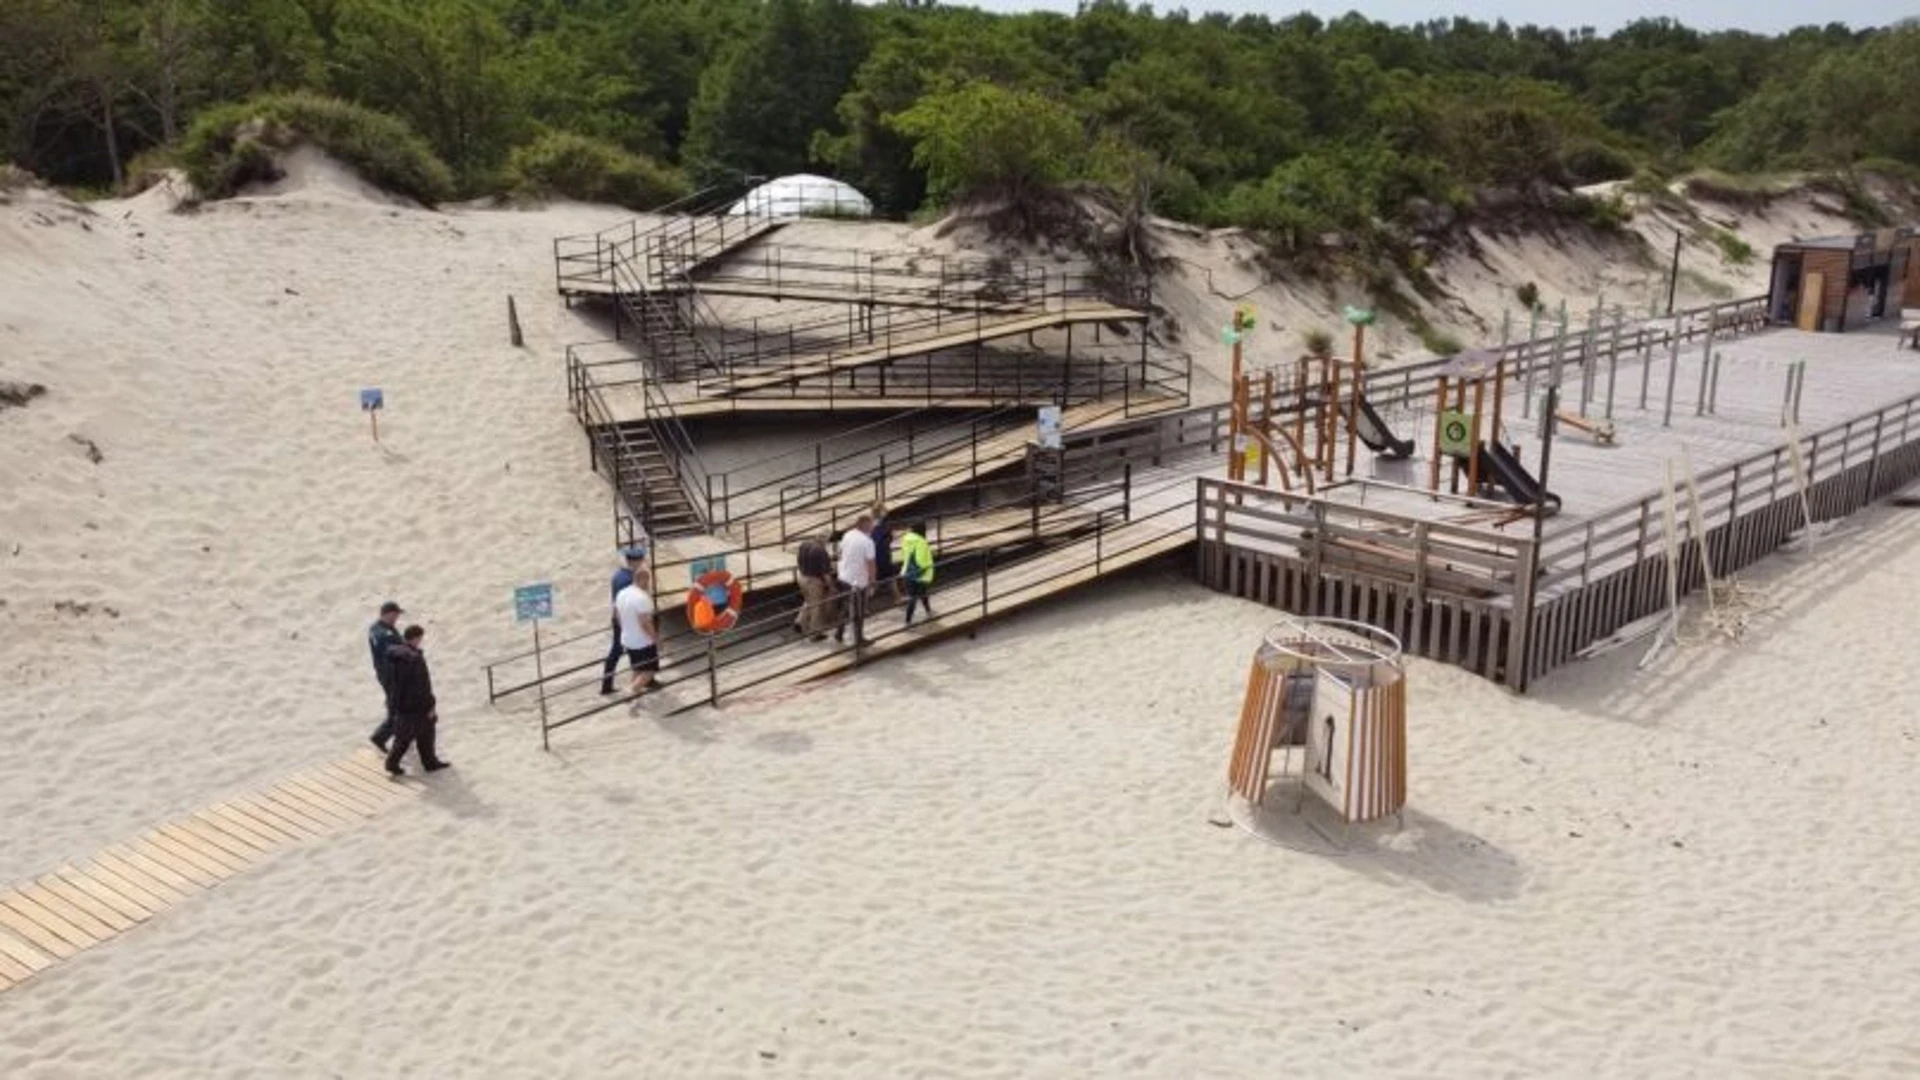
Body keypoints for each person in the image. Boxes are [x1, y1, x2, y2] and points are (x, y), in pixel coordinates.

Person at [384, 625, 449, 777]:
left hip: (400, 703)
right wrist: (431, 704)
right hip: (417, 705)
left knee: (403, 736)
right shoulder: (415, 659)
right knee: (426, 733)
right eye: (420, 638)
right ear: (415, 638)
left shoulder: (394, 655)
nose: (421, 641)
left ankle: (392, 763)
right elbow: (423, 686)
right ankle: (429, 762)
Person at [600, 546, 648, 695]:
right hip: (627, 620)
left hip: (619, 618)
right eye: (641, 560)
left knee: (619, 650)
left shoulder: (617, 575)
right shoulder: (629, 580)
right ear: (635, 562)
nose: (643, 563)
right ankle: (641, 681)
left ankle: (607, 685)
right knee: (635, 649)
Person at [614, 565, 660, 695]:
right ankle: (631, 691)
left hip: (628, 639)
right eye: (648, 580)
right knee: (649, 671)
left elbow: (617, 616)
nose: (649, 583)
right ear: (642, 579)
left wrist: (626, 630)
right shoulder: (642, 598)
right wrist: (656, 639)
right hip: (642, 642)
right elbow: (645, 622)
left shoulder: (622, 593)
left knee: (637, 668)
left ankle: (632, 688)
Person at [367, 601, 404, 752]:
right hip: (391, 674)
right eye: (395, 615)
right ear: (387, 614)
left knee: (396, 703)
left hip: (390, 673)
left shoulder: (380, 628)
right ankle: (380, 736)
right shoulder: (383, 633)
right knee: (398, 707)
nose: (397, 618)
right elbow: (391, 651)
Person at [834, 514, 876, 647]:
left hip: (844, 577)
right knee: (859, 611)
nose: (873, 527)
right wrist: (872, 580)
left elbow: (840, 553)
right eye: (871, 524)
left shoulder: (848, 535)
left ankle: (839, 633)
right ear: (865, 525)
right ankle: (859, 639)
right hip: (858, 581)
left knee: (846, 607)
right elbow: (871, 563)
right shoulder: (867, 542)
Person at [793, 535, 833, 640]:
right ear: (825, 540)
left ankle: (800, 622)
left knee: (809, 600)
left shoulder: (804, 544)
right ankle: (815, 633)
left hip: (802, 577)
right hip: (813, 581)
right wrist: (829, 585)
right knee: (817, 606)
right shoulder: (821, 551)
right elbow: (825, 573)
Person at [900, 521, 935, 625]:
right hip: (920, 574)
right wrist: (928, 566)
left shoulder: (906, 539)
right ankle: (908, 620)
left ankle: (911, 618)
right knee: (918, 595)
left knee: (917, 594)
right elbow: (921, 560)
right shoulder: (921, 542)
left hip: (907, 572)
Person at [869, 504, 899, 604]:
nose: (886, 512)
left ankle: (864, 605)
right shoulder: (880, 526)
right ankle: (897, 598)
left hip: (876, 555)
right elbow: (884, 539)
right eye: (883, 510)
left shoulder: (873, 525)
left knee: (880, 580)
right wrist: (891, 537)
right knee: (889, 578)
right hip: (882, 555)